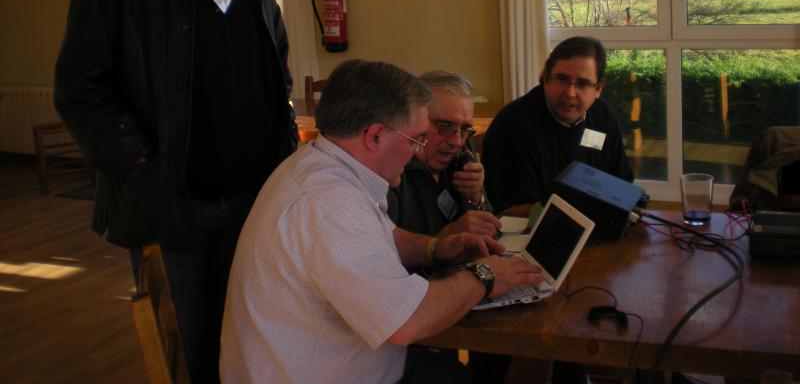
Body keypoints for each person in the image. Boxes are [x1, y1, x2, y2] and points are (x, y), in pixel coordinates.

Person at [54, 0, 297, 384]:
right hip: (172, 206)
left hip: (250, 202)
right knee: (185, 348)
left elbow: (275, 73)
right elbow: (80, 89)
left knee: (248, 342)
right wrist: (140, 166)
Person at [220, 59, 541, 384]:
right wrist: (485, 275)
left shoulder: (320, 162)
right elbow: (408, 323)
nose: (417, 152)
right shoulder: (332, 204)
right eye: (416, 139)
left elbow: (387, 237)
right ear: (375, 136)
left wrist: (435, 248)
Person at [483, 36, 634, 211]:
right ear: (546, 78)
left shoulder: (603, 117)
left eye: (582, 84)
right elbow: (517, 209)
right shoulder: (512, 125)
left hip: (598, 222)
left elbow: (621, 183)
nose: (570, 93)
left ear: (599, 88)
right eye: (562, 79)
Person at [388, 70, 501, 239]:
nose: (457, 142)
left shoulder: (463, 150)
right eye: (445, 126)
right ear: (414, 120)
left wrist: (475, 197)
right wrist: (446, 238)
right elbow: (383, 251)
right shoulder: (391, 167)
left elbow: (490, 230)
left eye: (464, 129)